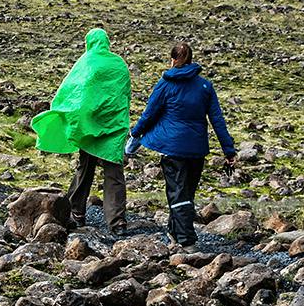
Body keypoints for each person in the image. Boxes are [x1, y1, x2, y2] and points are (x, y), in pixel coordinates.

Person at [126, 41, 236, 246]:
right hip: (196, 148)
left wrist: (135, 133)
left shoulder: (166, 84)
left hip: (172, 148)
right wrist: (228, 150)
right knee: (186, 193)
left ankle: (187, 240)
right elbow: (217, 120)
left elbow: (150, 113)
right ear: (191, 60)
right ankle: (174, 233)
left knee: (178, 193)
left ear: (172, 59)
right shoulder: (205, 86)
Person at [33, 27, 132, 231]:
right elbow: (125, 95)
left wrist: (62, 110)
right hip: (114, 127)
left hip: (90, 126)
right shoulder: (119, 64)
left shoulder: (86, 62)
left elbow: (72, 91)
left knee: (85, 169)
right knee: (114, 173)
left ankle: (76, 212)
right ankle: (117, 222)